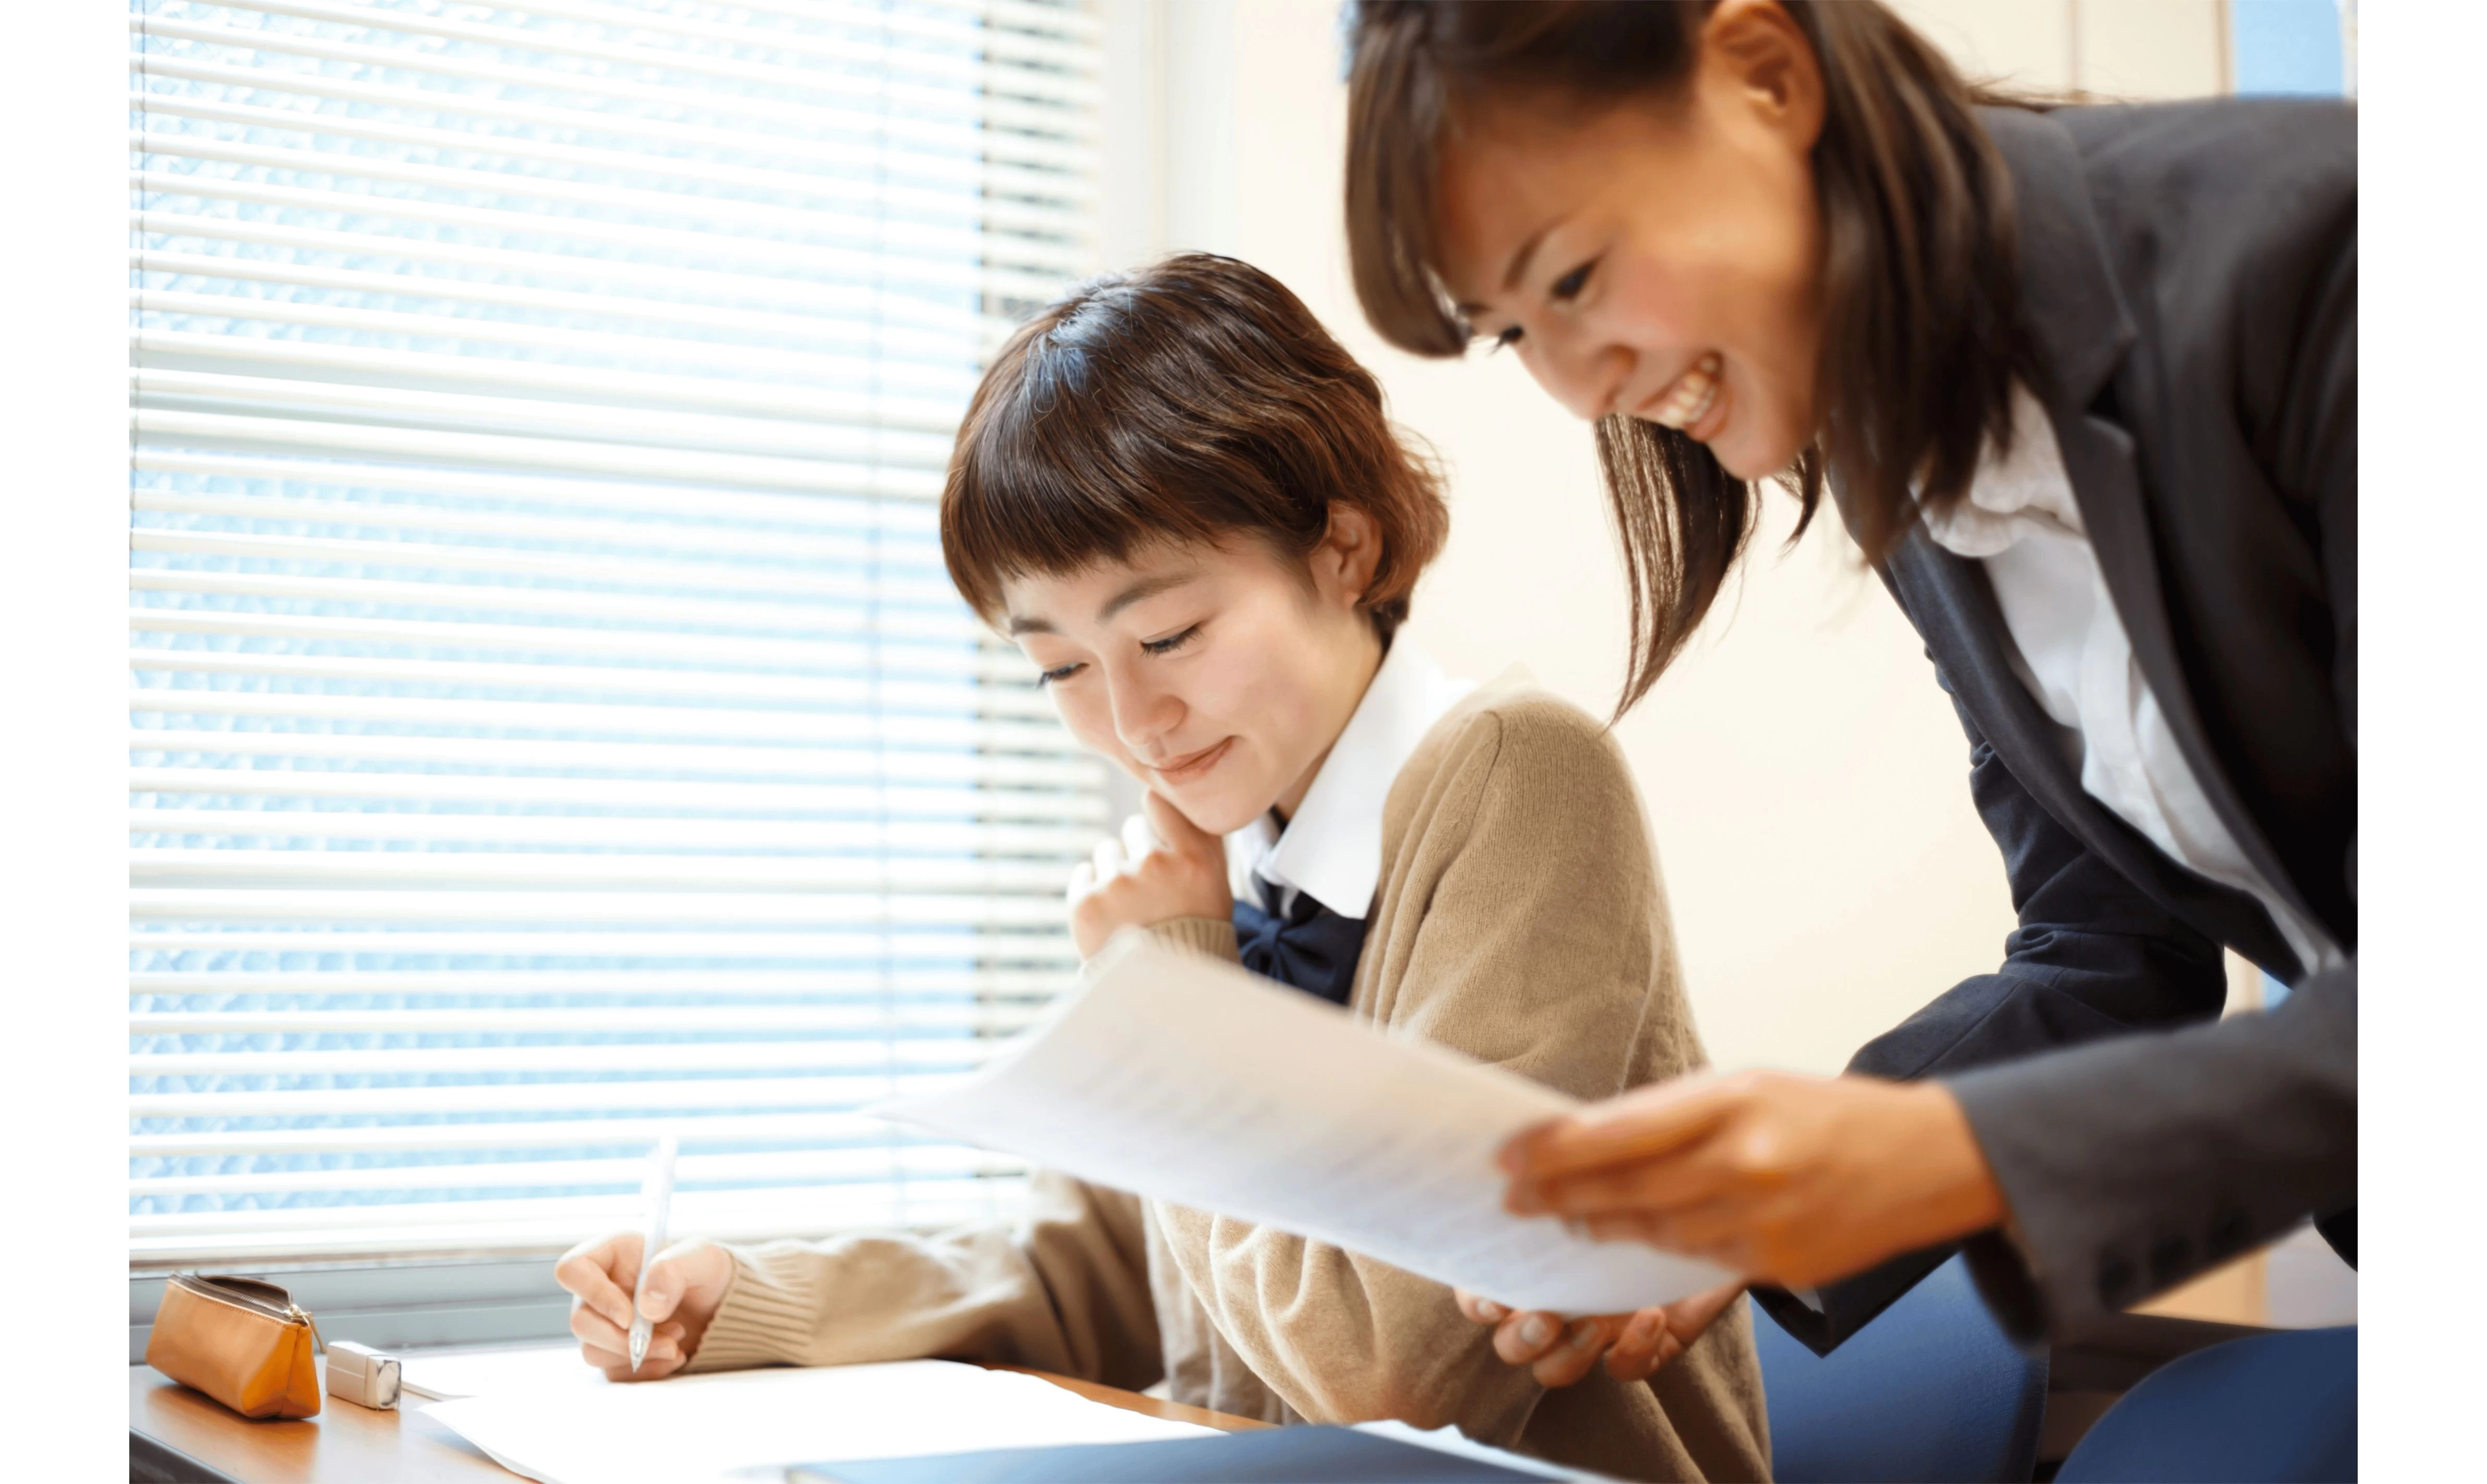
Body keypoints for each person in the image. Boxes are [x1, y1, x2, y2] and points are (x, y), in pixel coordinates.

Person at [552, 254, 1770, 1483]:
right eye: (1063, 670)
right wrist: (748, 1301)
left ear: (1344, 547)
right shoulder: (1223, 835)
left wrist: (1186, 997)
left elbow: (1394, 1371)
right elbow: (1083, 1277)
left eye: (1169, 634)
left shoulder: (1517, 774)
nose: (1135, 720)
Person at [1340, 0, 2355, 1383]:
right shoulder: (1934, 487)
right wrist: (1747, 1208)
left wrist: (1946, 1157)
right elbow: (2108, 952)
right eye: (1511, 331)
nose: (1582, 392)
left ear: (1763, 77)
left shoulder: (2326, 263)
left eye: (1571, 278)